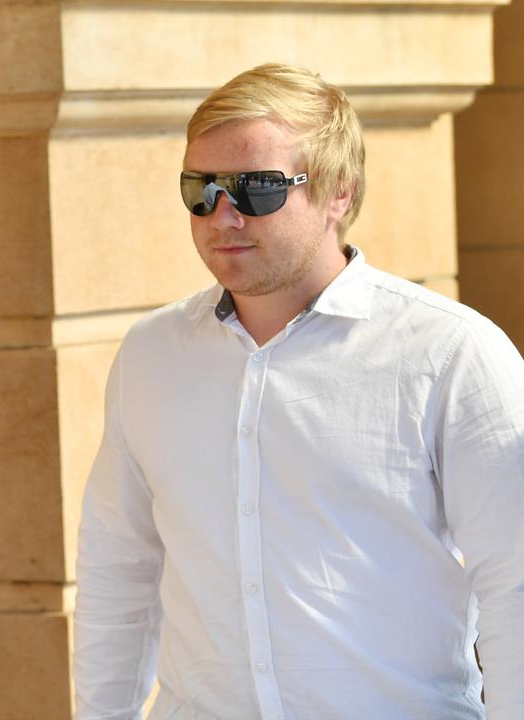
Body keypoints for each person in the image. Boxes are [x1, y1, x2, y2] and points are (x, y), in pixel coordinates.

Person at [72, 63, 524, 720]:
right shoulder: (151, 356)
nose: (222, 216)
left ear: (340, 191)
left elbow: (516, 581)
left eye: (257, 189)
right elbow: (119, 569)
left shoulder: (451, 353)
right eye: (201, 189)